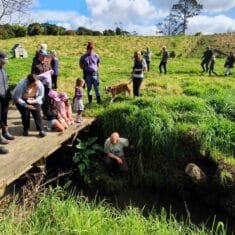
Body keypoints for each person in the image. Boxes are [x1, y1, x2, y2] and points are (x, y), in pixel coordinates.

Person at [0, 51, 14, 154]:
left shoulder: (3, 69)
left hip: (5, 98)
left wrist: (9, 94)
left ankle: (5, 132)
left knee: (4, 116)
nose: (5, 63)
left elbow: (5, 83)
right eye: (3, 61)